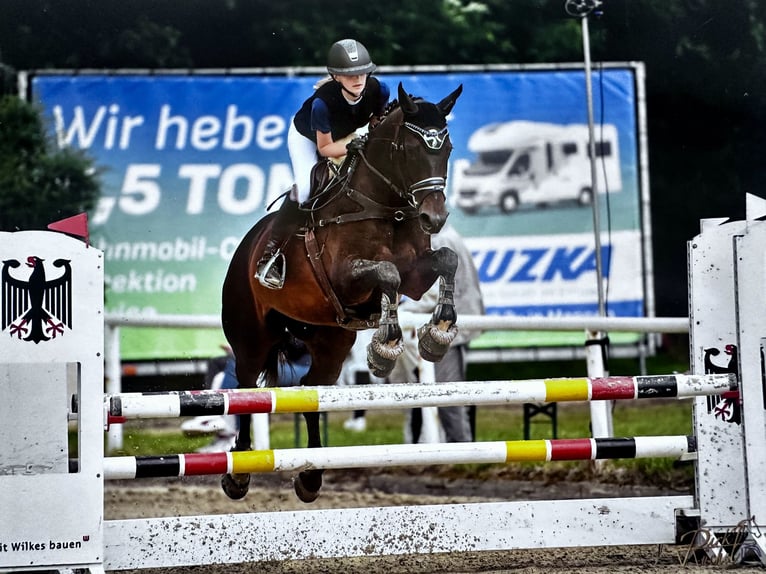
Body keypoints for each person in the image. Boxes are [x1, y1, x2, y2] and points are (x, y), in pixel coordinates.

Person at [256, 38, 391, 289]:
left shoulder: (379, 90)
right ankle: (270, 256)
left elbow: (375, 121)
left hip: (348, 134)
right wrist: (353, 144)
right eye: (349, 75)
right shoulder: (322, 104)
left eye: (362, 72)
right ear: (336, 77)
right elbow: (325, 149)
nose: (358, 79)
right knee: (307, 188)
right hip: (308, 138)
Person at [388, 224, 485, 443]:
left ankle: (461, 450)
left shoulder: (437, 241)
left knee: (447, 395)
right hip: (450, 323)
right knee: (443, 393)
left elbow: (433, 295)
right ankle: (454, 448)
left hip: (448, 326)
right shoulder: (445, 235)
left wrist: (400, 310)